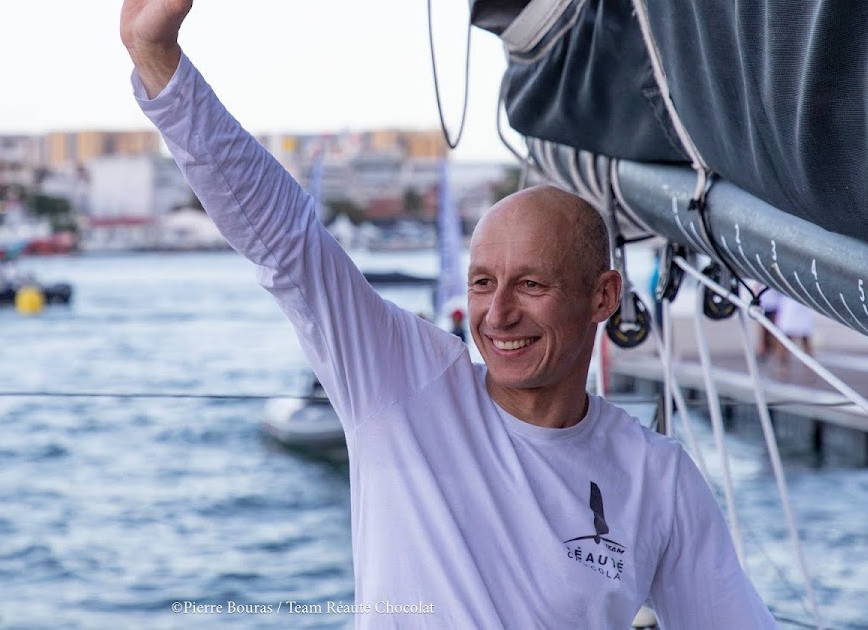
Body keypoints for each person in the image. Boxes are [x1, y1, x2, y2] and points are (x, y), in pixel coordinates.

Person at [120, 1, 775, 626]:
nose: (497, 314)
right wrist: (159, 61)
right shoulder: (402, 384)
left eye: (530, 285)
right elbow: (285, 239)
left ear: (603, 296)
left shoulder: (657, 477)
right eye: (483, 283)